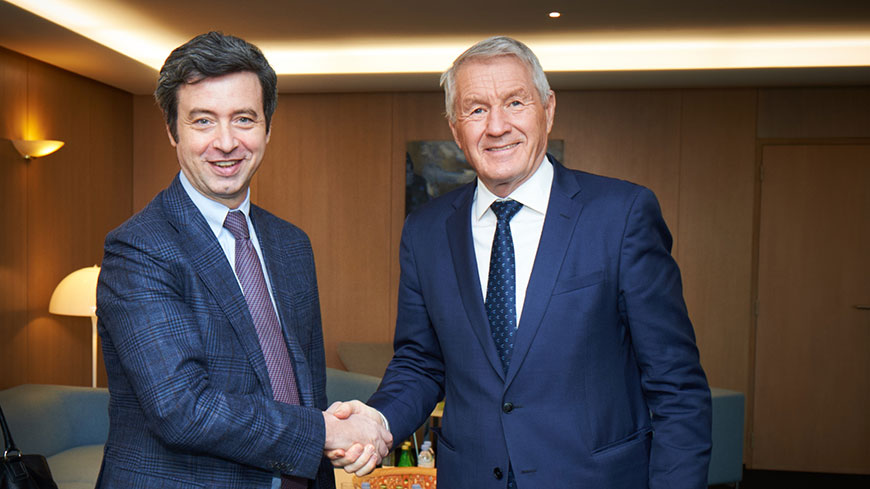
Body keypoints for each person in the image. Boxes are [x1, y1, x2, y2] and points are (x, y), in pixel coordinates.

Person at [329, 36, 711, 488]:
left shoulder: (621, 215)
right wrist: (378, 420)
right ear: (455, 128)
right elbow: (420, 361)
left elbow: (677, 388)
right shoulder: (426, 231)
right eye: (476, 110)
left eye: (515, 102)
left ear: (547, 109)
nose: (496, 126)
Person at [96, 32, 391, 489]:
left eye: (244, 119)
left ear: (268, 127)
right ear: (173, 131)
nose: (227, 141)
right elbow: (182, 409)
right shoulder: (138, 248)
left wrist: (341, 432)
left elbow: (305, 392)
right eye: (203, 121)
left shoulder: (291, 244)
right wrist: (328, 431)